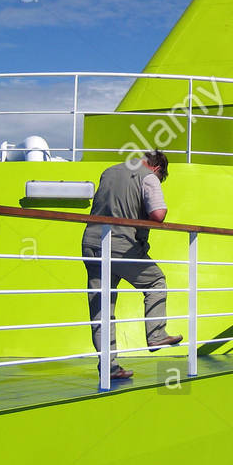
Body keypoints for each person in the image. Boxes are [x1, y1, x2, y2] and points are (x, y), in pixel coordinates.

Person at [82, 151, 183, 381]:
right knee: (156, 281)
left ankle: (109, 367)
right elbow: (158, 214)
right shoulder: (148, 177)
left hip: (91, 242)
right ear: (157, 168)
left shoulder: (108, 172)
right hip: (122, 245)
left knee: (102, 308)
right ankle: (156, 334)